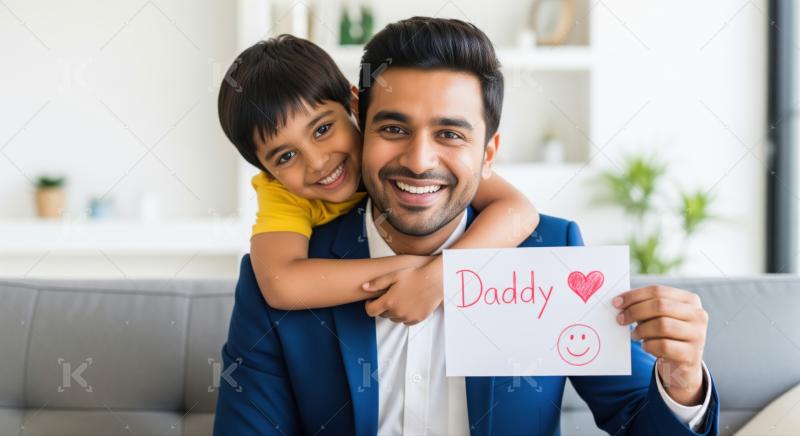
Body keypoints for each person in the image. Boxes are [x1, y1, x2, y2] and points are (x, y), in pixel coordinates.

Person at [214, 17, 719, 435]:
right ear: (362, 126)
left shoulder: (550, 254)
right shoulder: (285, 279)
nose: (418, 160)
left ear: (488, 154)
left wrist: (681, 381)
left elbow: (637, 420)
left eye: (450, 133)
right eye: (393, 129)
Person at [217, 35, 539, 325]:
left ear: (354, 110)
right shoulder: (282, 194)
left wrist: (441, 276)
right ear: (266, 170)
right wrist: (413, 270)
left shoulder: (411, 159)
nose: (317, 162)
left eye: (322, 130)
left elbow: (518, 211)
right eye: (285, 157)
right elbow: (281, 283)